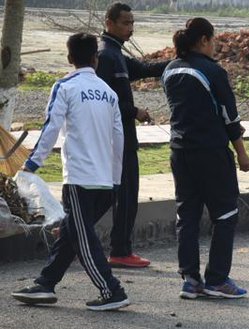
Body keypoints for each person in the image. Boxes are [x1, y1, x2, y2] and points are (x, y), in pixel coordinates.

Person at [11, 33, 128, 312]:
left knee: (82, 238)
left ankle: (111, 289)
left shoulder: (65, 86)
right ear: (95, 59)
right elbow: (118, 139)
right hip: (106, 180)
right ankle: (46, 283)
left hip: (78, 178)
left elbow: (51, 128)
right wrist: (116, 179)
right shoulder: (109, 94)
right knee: (70, 233)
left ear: (69, 59)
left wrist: (32, 165)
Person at [162, 17, 249, 300]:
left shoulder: (171, 70)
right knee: (225, 215)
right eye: (213, 40)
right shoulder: (212, 71)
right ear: (203, 40)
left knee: (187, 215)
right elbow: (230, 117)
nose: (214, 46)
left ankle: (190, 279)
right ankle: (217, 279)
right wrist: (242, 153)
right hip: (211, 154)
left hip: (180, 152)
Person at [97, 2, 168, 269]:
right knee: (124, 194)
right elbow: (103, 100)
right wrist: (134, 110)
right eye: (125, 23)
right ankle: (120, 251)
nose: (131, 28)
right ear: (109, 23)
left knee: (111, 193)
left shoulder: (116, 54)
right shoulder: (105, 56)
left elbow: (146, 69)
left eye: (132, 23)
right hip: (117, 139)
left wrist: (181, 58)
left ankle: (70, 231)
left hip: (122, 137)